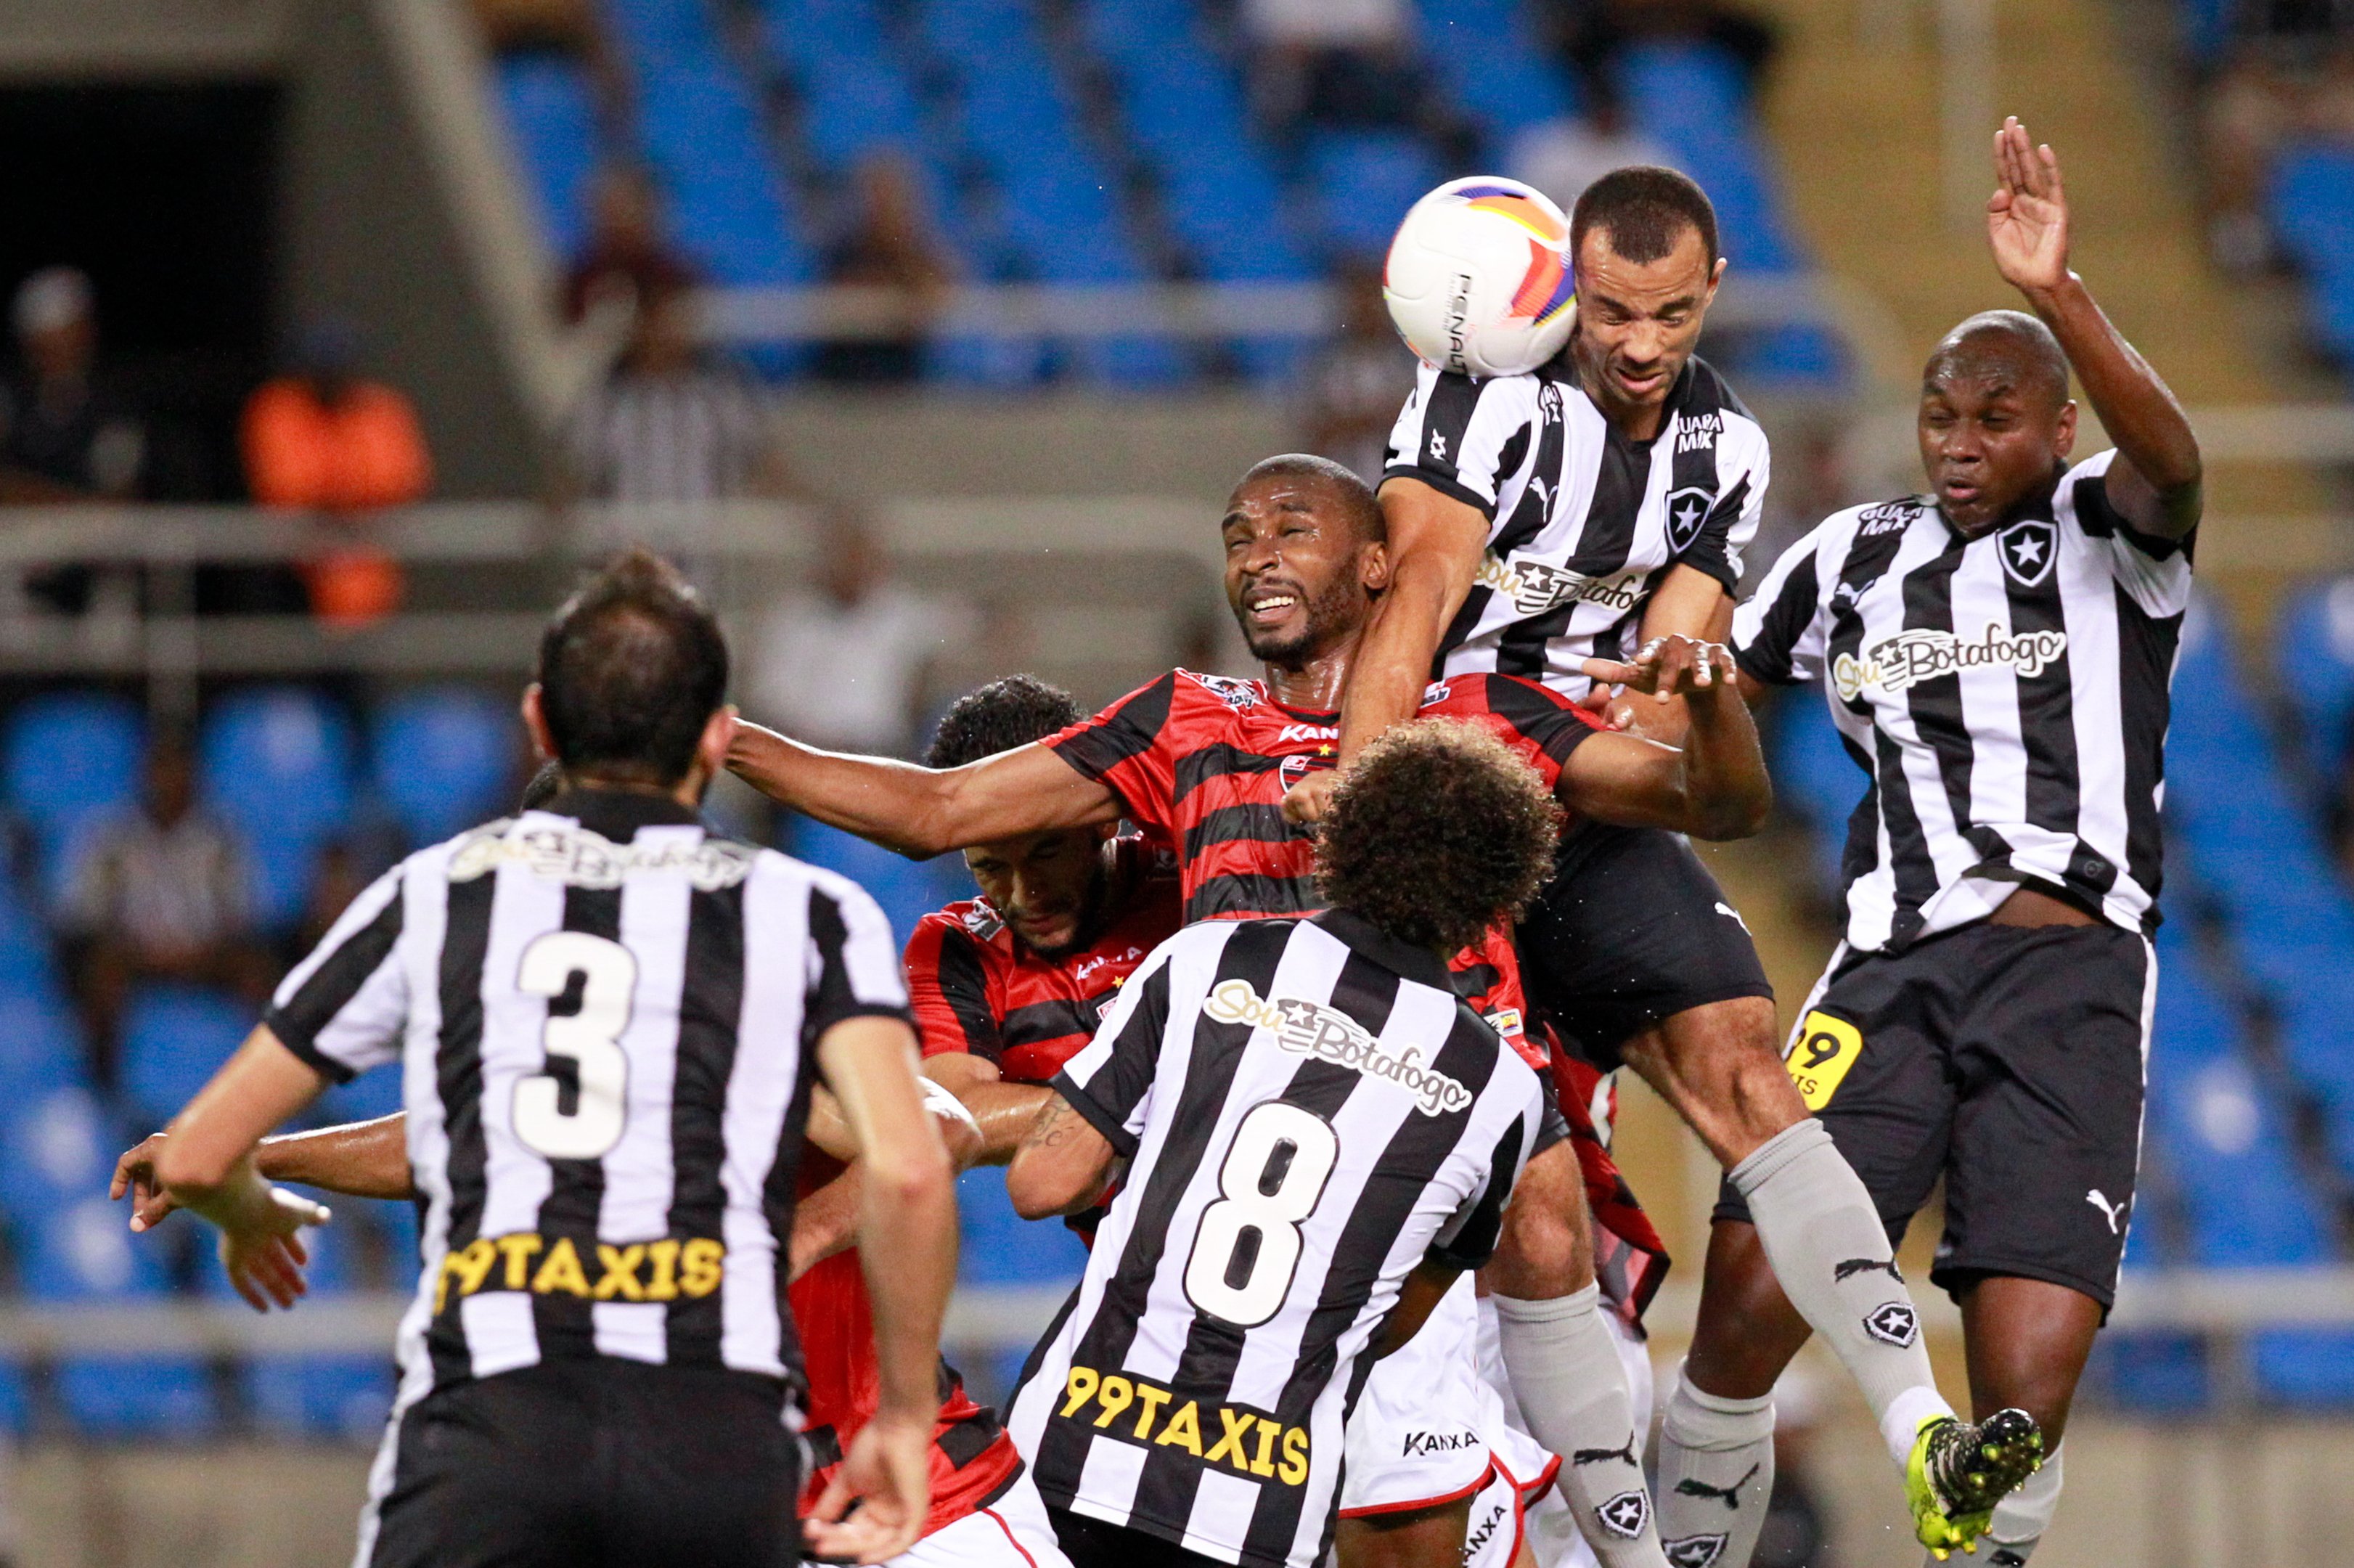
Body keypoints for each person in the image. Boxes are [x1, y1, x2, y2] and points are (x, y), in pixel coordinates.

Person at [719, 451, 1777, 1567]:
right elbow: (940, 810)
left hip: (1452, 1217)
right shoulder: (1181, 723)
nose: (1256, 554)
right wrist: (724, 736)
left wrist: (1713, 711)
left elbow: (1709, 803)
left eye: (1288, 528)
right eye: (1236, 536)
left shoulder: (1473, 712)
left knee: (1543, 1212)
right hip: (1282, 1273)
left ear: (1377, 566)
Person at [1307, 164, 2016, 1552]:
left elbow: (1657, 679)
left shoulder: (1729, 453)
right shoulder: (1487, 404)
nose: (1639, 345)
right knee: (1537, 1204)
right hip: (1444, 793)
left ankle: (1915, 1424)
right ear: (1571, 284)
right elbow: (1412, 623)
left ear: (1713, 296)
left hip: (1578, 795)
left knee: (1746, 1056)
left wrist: (1682, 709)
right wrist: (1364, 820)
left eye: (1671, 315)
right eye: (1616, 311)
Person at [127, 549, 960, 1568]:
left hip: (489, 1427)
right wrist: (906, 1422)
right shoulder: (807, 911)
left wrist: (251, 1213)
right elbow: (913, 1170)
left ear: (539, 725)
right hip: (715, 1426)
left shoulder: (433, 894)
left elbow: (201, 1153)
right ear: (714, 736)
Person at [1675, 119, 2202, 1567]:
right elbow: (1703, 702)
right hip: (1884, 972)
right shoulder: (1849, 558)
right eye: (1939, 417)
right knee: (1737, 1298)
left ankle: (1991, 1537)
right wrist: (1690, 692)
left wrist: (2058, 295)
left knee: (2023, 1387)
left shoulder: (2109, 531)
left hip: (2070, 977)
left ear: (2057, 429)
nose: (1960, 445)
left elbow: (2174, 455)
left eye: (1994, 418)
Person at [1002, 717, 1568, 1568]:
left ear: (1346, 841)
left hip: (1072, 1452)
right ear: (1498, 896)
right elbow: (1398, 1316)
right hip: (1262, 1504)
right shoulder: (1503, 1090)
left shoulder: (1204, 960)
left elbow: (1042, 1184)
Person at [60, 730, 270, 1079]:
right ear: (146, 776)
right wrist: (138, 947)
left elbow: (243, 913)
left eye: (179, 772)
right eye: (162, 771)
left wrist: (200, 951)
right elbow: (87, 914)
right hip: (136, 958)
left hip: (206, 956)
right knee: (102, 972)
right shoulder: (113, 838)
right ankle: (100, 1085)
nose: (170, 782)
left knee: (256, 974)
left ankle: (264, 1079)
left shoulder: (221, 839)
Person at [242, 319, 434, 628]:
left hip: (366, 565)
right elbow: (286, 486)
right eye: (320, 369)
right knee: (285, 659)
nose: (329, 378)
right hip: (292, 568)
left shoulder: (378, 407)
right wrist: (351, 490)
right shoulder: (279, 407)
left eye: (336, 369)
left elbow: (402, 479)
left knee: (361, 660)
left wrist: (334, 490)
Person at [751, 504, 969, 759]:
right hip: (807, 757)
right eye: (846, 556)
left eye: (864, 556)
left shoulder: (901, 613)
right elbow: (771, 702)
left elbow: (964, 623)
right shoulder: (793, 620)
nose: (856, 565)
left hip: (882, 755)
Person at [811, 155, 955, 386]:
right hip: (844, 385)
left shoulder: (916, 253)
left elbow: (937, 289)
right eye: (876, 198)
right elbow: (847, 294)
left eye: (893, 199)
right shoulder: (843, 248)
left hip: (900, 385)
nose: (884, 207)